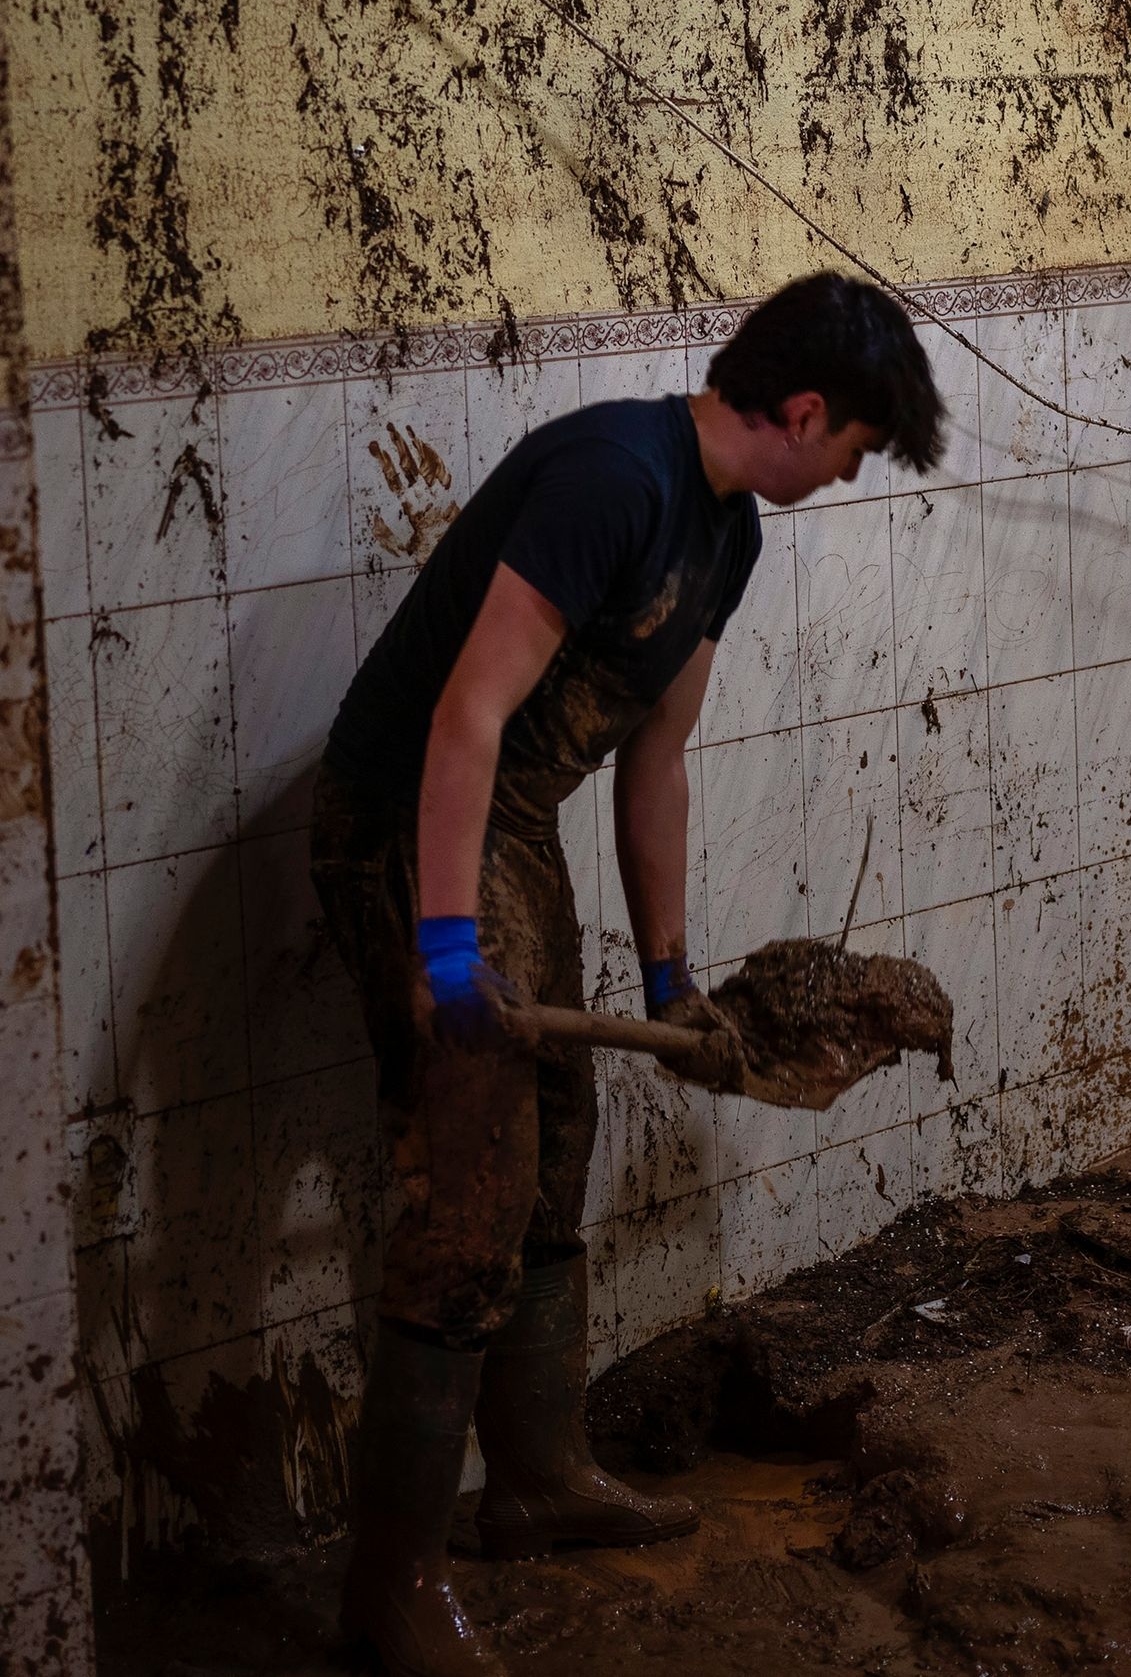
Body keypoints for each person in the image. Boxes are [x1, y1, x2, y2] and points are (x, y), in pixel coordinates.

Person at [312, 271, 947, 1677]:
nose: (846, 477)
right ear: (803, 411)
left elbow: (654, 759)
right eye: (854, 448)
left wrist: (671, 985)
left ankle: (537, 1480)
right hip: (405, 820)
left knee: (558, 1137)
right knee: (471, 1179)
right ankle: (391, 1582)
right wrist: (443, 949)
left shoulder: (729, 539)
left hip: (513, 827)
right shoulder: (614, 475)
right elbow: (466, 715)